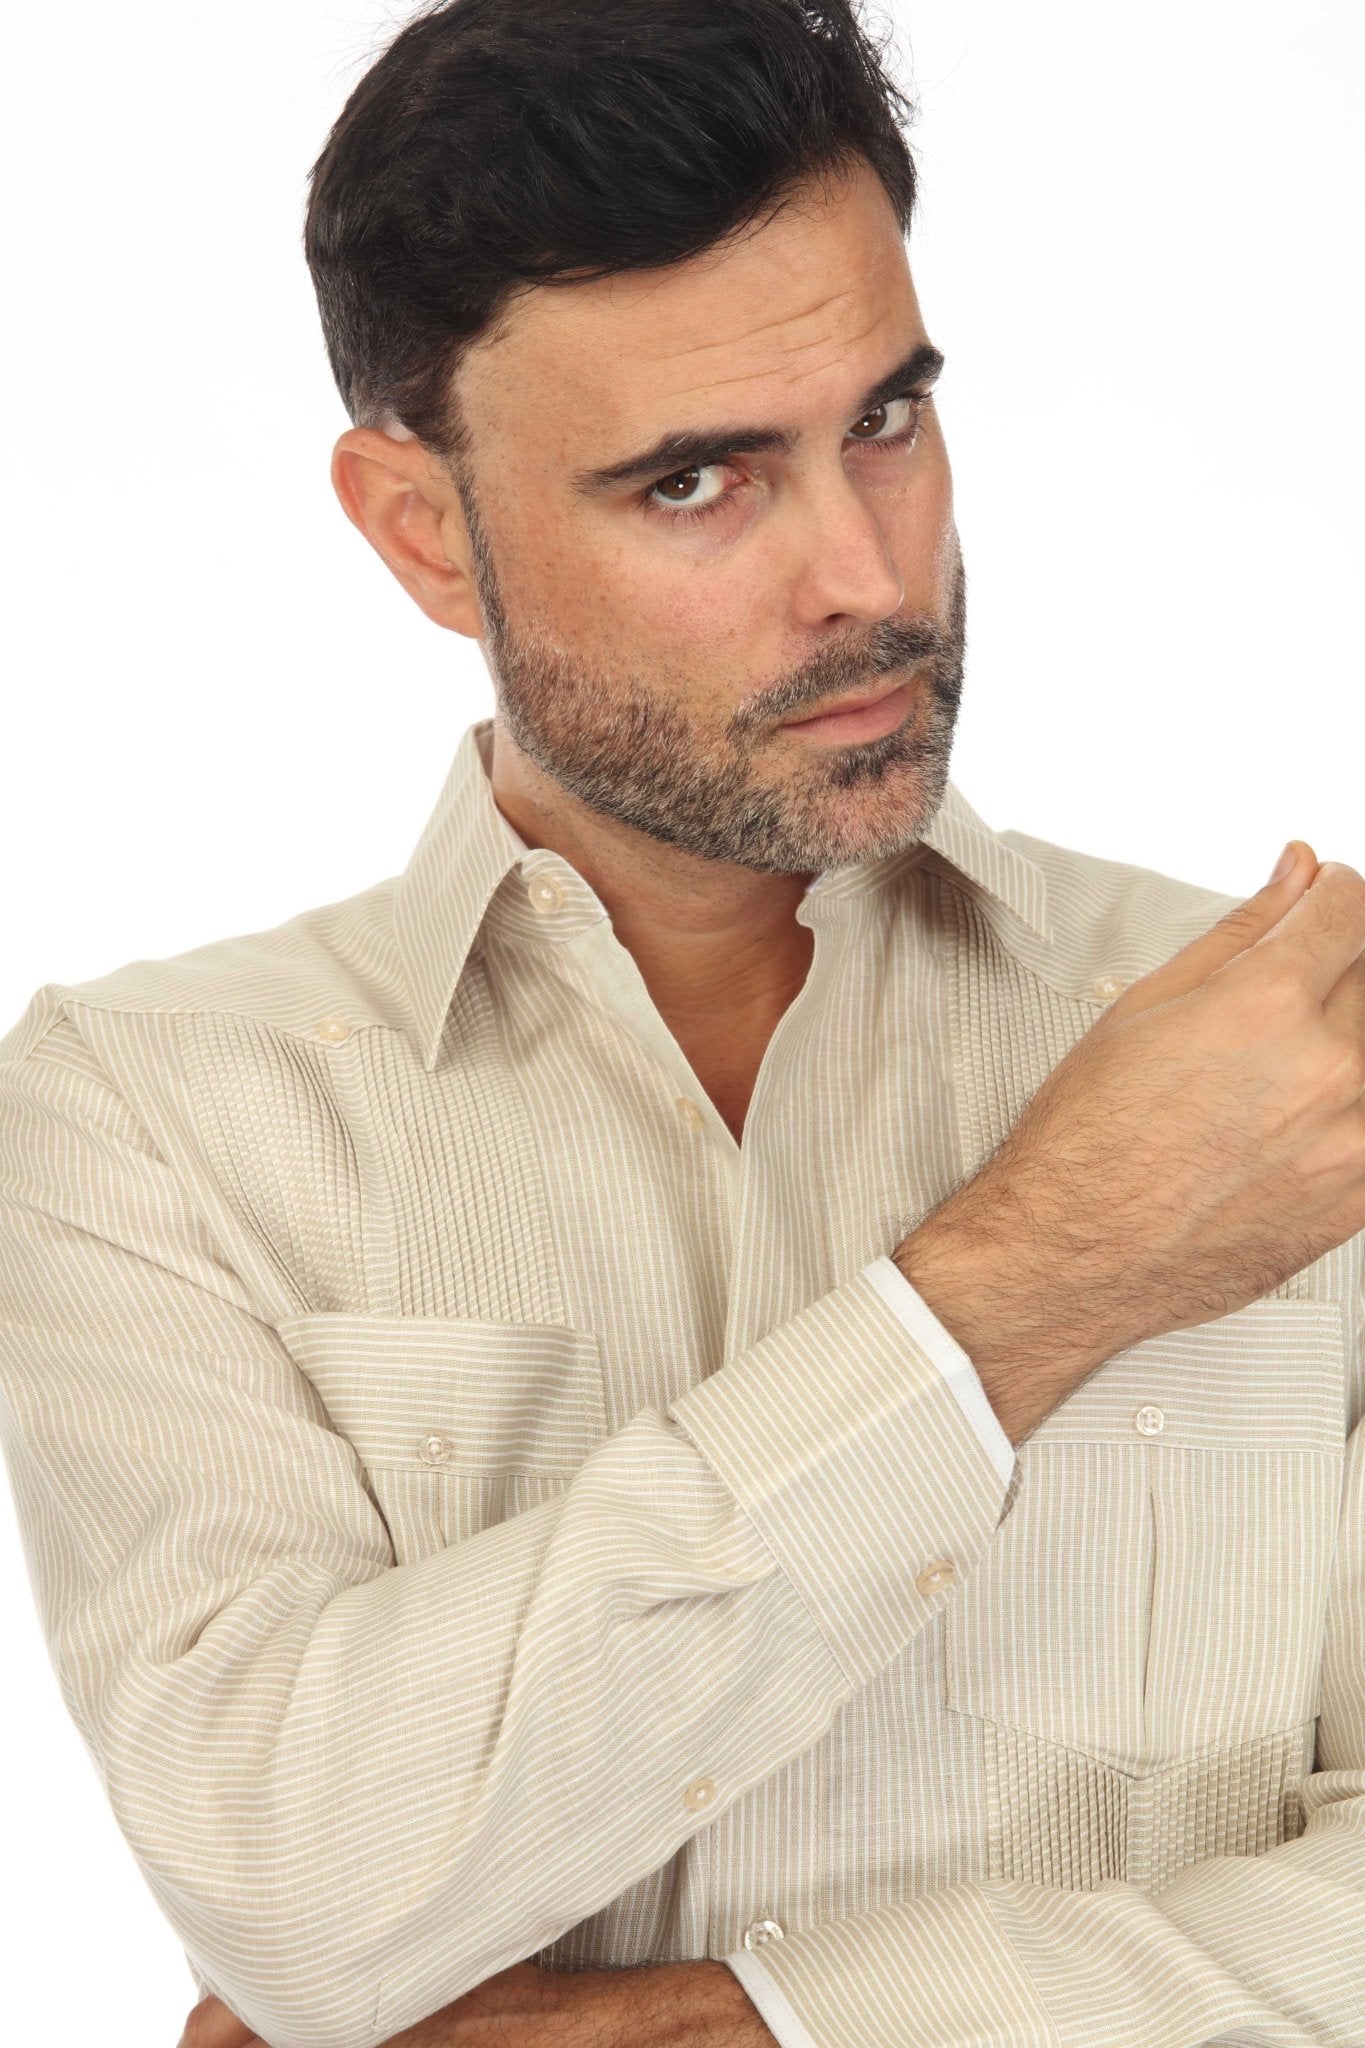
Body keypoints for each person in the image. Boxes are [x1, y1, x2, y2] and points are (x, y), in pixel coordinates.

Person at [1, 1, 1362, 2045]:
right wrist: (1026, 1284)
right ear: (414, 529)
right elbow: (291, 1880)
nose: (864, 576)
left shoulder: (1292, 1044)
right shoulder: (152, 1117)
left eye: (882, 422)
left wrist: (761, 2026)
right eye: (697, 480)